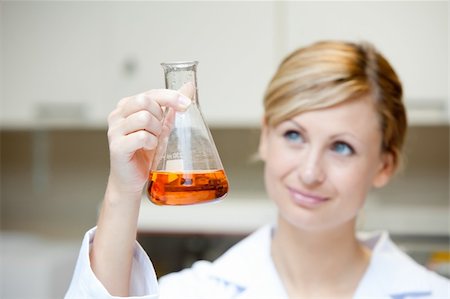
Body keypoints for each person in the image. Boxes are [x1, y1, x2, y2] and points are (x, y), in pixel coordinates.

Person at [65, 40, 449, 299]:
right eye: (294, 135)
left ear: (384, 165)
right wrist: (123, 189)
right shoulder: (198, 291)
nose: (310, 171)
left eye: (342, 146)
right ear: (265, 136)